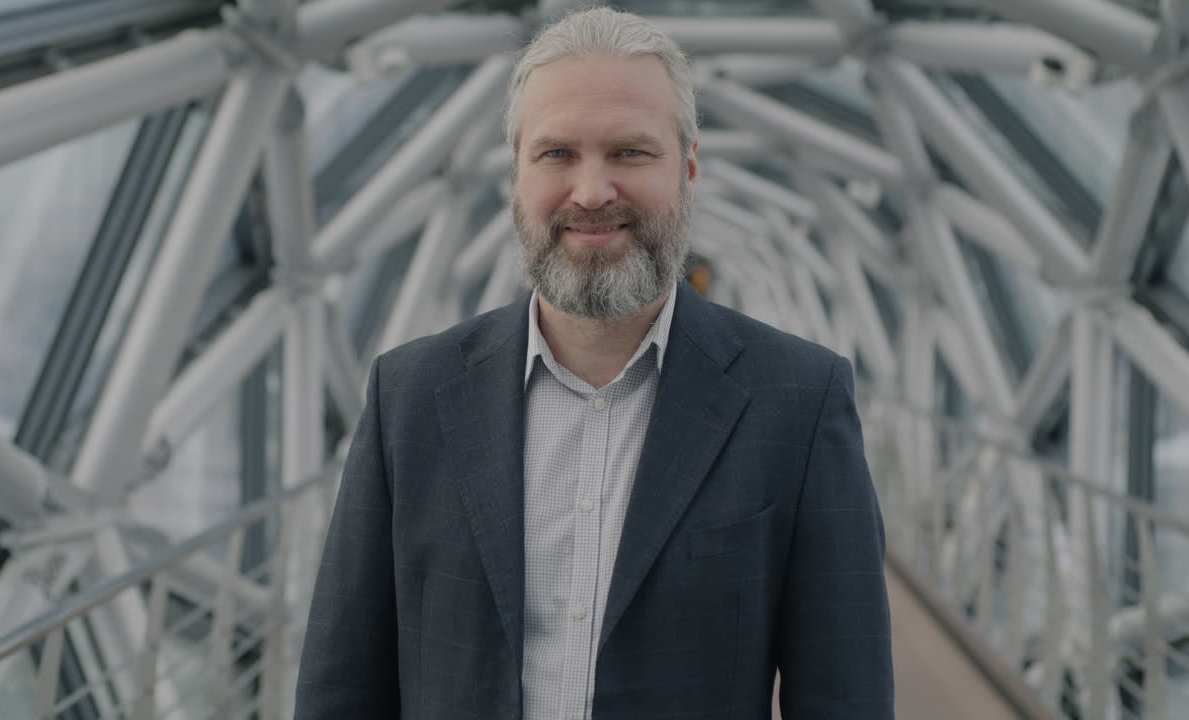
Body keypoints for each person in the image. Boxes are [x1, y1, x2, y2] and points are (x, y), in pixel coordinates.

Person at [295, 7, 893, 719]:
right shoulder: (409, 397)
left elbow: (846, 698)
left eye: (630, 152)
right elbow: (342, 689)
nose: (591, 192)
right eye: (556, 154)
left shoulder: (799, 401)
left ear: (688, 170)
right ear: (515, 175)